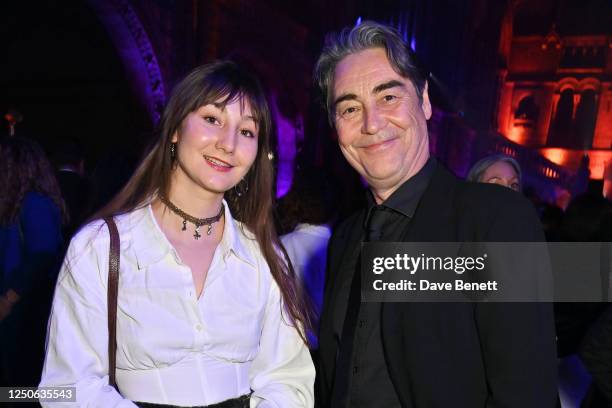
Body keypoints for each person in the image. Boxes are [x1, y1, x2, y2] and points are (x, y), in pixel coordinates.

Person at [40, 61, 315, 407]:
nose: (228, 144)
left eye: (246, 132)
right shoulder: (99, 247)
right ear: (175, 128)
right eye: (212, 119)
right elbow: (67, 386)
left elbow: (289, 378)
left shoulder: (264, 255)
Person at [313, 21, 557, 407]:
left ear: (424, 101)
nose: (372, 123)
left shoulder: (494, 220)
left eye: (388, 97)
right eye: (349, 107)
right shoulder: (345, 236)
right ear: (335, 126)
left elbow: (526, 394)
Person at [0, 137, 66, 394]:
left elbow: (42, 255)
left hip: (26, 311)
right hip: (18, 309)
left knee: (21, 386)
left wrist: (8, 299)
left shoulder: (34, 203)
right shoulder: (16, 204)